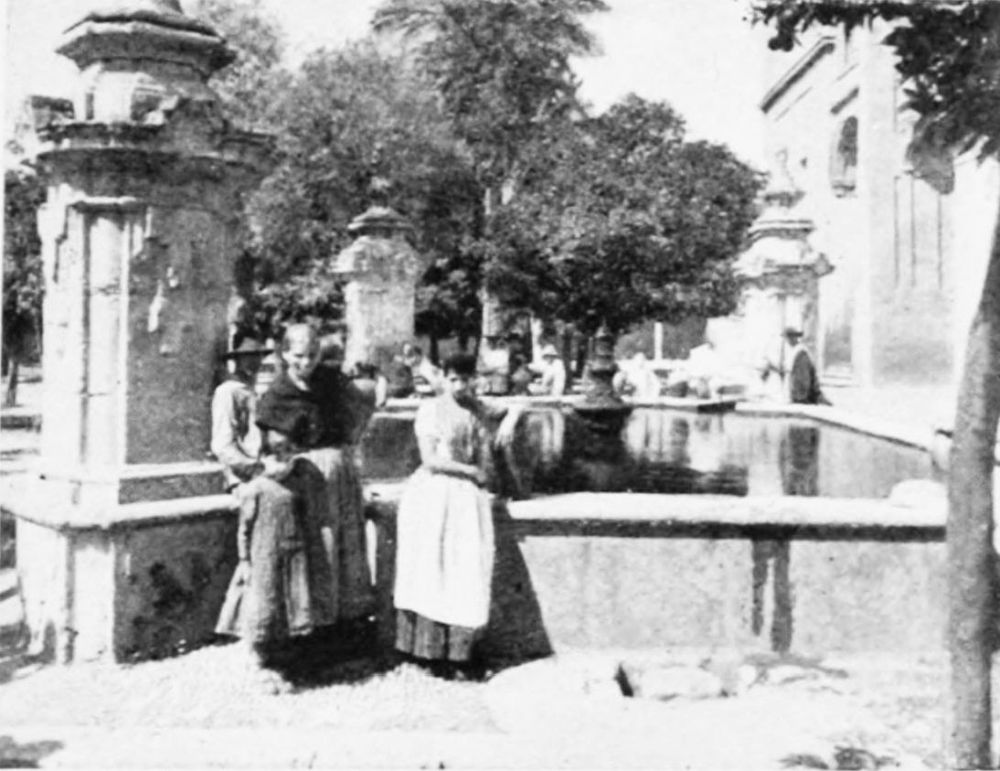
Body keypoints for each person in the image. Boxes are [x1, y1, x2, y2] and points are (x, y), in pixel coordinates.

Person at [212, 339, 338, 690]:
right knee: (263, 572)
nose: (251, 364)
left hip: (279, 476)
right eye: (244, 359)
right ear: (233, 361)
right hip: (254, 480)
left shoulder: (258, 391)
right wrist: (255, 471)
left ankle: (293, 640)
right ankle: (259, 646)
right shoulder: (229, 392)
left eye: (256, 358)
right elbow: (223, 444)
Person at [393, 353, 525, 678]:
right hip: (436, 493)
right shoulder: (431, 409)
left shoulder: (478, 407)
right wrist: (471, 471)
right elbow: (430, 459)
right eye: (453, 379)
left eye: (465, 380)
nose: (459, 386)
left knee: (465, 569)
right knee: (432, 567)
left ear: (474, 380)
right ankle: (427, 653)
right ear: (443, 378)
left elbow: (517, 405)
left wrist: (510, 419)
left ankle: (460, 655)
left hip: (467, 499)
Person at [256, 324, 377, 643]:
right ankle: (314, 626)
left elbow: (365, 399)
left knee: (347, 544)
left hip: (340, 473)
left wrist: (351, 441)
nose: (306, 362)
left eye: (312, 355)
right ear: (285, 354)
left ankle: (347, 620)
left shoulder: (330, 381)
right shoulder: (278, 396)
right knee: (318, 547)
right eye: (299, 356)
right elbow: (275, 447)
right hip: (307, 478)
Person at [763, 327, 831, 405]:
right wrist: (774, 368)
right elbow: (788, 372)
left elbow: (802, 379)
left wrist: (800, 398)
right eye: (788, 338)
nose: (789, 340)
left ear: (795, 338)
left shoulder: (801, 354)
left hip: (801, 398)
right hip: (795, 396)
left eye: (790, 337)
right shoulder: (793, 353)